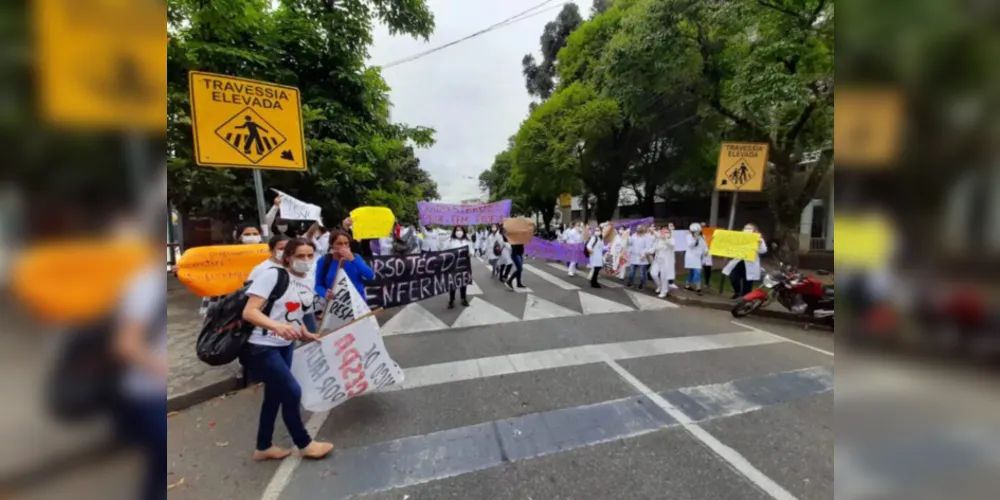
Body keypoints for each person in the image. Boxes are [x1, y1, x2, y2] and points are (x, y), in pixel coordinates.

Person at [241, 238, 333, 461]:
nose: (306, 260)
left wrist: (304, 333)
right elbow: (250, 312)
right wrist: (277, 327)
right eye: (300, 256)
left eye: (310, 256)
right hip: (260, 346)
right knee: (292, 392)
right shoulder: (274, 275)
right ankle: (304, 444)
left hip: (284, 346)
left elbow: (294, 315)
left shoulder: (306, 281)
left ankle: (263, 447)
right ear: (288, 257)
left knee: (274, 396)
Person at [200, 222, 264, 317]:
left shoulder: (267, 254)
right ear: (239, 237)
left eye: (255, 234)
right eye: (247, 234)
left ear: (260, 236)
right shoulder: (227, 255)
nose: (252, 237)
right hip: (231, 298)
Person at [315, 229, 375, 306]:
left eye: (346, 243)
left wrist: (353, 260)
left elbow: (370, 276)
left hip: (358, 303)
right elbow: (318, 285)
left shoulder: (356, 257)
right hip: (336, 305)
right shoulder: (324, 260)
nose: (343, 246)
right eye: (339, 244)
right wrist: (325, 294)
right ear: (331, 245)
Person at [722, 223, 768, 298]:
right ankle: (737, 292)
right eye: (746, 228)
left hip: (751, 264)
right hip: (739, 262)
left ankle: (745, 299)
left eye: (750, 228)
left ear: (754, 230)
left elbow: (763, 251)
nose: (747, 230)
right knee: (733, 278)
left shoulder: (759, 239)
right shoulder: (739, 238)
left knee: (747, 283)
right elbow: (729, 244)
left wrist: (759, 244)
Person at [445, 226, 474, 308]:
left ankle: (463, 298)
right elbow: (445, 250)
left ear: (463, 231)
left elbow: (471, 249)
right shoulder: (450, 241)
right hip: (454, 264)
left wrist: (471, 253)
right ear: (454, 232)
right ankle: (451, 300)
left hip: (464, 264)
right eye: (457, 230)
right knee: (452, 282)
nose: (459, 232)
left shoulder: (467, 241)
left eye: (460, 230)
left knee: (463, 282)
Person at [649, 226, 676, 298]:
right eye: (663, 232)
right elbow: (653, 248)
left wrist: (666, 239)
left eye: (667, 232)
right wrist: (648, 251)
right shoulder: (658, 239)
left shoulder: (671, 240)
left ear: (669, 234)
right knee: (653, 273)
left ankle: (664, 291)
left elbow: (672, 245)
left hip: (665, 261)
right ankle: (660, 286)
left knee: (663, 277)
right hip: (657, 260)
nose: (664, 233)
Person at [684, 223, 708, 295]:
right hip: (691, 256)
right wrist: (695, 239)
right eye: (695, 232)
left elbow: (704, 245)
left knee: (692, 271)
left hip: (698, 257)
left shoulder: (702, 236)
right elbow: (690, 246)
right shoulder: (688, 237)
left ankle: (687, 285)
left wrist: (706, 251)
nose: (697, 233)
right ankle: (698, 287)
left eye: (698, 231)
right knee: (697, 271)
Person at [585, 223, 609, 288]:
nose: (596, 231)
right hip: (594, 256)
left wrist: (608, 247)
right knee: (596, 269)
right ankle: (594, 283)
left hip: (599, 256)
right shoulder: (594, 237)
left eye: (598, 230)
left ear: (601, 231)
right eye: (596, 230)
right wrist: (590, 250)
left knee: (597, 269)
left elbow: (602, 247)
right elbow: (588, 245)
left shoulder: (600, 239)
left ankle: (593, 281)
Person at [700, 222, 714, 289]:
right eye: (702, 226)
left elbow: (711, 244)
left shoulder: (709, 235)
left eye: (704, 226)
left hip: (708, 254)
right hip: (700, 253)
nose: (703, 227)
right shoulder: (699, 235)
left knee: (708, 269)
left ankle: (707, 282)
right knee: (698, 268)